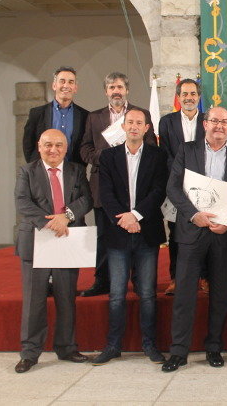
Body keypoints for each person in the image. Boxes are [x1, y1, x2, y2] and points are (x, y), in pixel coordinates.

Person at [162, 107, 227, 372]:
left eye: (224, 122)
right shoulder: (187, 150)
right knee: (185, 293)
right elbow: (173, 187)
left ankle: (214, 347)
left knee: (221, 293)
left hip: (224, 234)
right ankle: (178, 351)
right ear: (205, 124)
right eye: (214, 121)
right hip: (192, 231)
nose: (219, 126)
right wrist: (193, 215)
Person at [91, 107, 168, 365]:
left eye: (139, 123)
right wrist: (125, 219)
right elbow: (106, 193)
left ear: (147, 128)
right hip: (117, 232)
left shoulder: (158, 156)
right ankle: (113, 345)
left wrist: (136, 215)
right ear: (123, 126)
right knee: (116, 293)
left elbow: (159, 191)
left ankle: (150, 344)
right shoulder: (108, 156)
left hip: (146, 231)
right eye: (130, 122)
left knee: (147, 293)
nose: (134, 126)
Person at [13, 129, 93, 373]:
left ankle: (67, 347)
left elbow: (86, 199)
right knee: (34, 299)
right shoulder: (27, 171)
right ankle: (29, 353)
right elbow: (22, 202)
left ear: (66, 148)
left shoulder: (76, 170)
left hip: (67, 240)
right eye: (48, 145)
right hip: (37, 241)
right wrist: (52, 221)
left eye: (59, 145)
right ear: (39, 146)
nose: (53, 149)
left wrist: (66, 217)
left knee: (66, 297)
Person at [79, 72, 156, 297]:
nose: (116, 91)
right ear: (106, 91)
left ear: (127, 90)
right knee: (104, 235)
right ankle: (102, 281)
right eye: (112, 87)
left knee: (136, 234)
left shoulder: (141, 114)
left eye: (120, 87)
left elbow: (151, 146)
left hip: (135, 185)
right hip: (105, 185)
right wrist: (105, 158)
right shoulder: (94, 117)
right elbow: (84, 149)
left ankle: (138, 279)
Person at [158, 78, 206, 296]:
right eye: (185, 94)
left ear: (199, 96)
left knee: (204, 232)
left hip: (204, 186)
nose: (189, 98)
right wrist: (181, 177)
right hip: (176, 186)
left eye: (193, 94)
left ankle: (204, 277)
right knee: (176, 233)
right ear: (178, 97)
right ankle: (176, 278)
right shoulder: (167, 122)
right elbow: (165, 154)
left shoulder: (207, 120)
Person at [22, 66, 89, 166]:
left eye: (71, 82)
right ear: (54, 86)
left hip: (74, 174)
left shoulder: (85, 116)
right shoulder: (37, 113)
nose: (66, 85)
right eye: (62, 81)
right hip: (42, 173)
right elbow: (28, 144)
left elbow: (86, 146)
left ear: (75, 88)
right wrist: (35, 168)